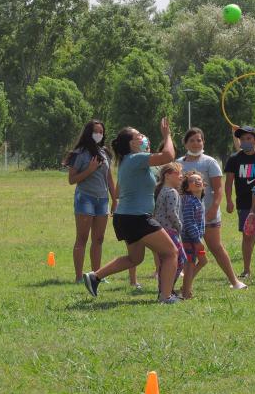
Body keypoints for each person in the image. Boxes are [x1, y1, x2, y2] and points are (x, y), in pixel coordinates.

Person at [81, 118, 181, 303]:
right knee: (171, 253)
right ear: (131, 143)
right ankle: (166, 296)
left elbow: (120, 191)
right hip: (137, 218)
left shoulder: (130, 161)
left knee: (135, 259)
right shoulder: (135, 159)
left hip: (125, 217)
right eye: (138, 135)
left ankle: (94, 277)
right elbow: (168, 156)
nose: (143, 137)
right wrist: (167, 135)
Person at [176, 128, 246, 289]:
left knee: (215, 247)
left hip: (208, 214)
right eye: (192, 140)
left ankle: (234, 281)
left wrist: (214, 208)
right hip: (186, 216)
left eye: (199, 140)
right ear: (185, 143)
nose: (195, 143)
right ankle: (185, 286)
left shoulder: (209, 162)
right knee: (190, 254)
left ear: (203, 142)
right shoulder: (179, 163)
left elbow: (218, 189)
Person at [64, 120, 131, 286]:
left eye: (101, 132)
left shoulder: (105, 153)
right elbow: (72, 180)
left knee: (99, 239)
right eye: (96, 131)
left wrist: (115, 199)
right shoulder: (79, 153)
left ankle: (97, 275)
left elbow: (109, 178)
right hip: (85, 198)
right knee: (82, 238)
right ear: (89, 133)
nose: (99, 134)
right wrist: (89, 170)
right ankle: (79, 276)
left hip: (102, 201)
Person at [224, 125, 255, 279]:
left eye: (248, 138)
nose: (245, 141)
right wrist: (229, 201)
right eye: (242, 139)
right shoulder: (234, 159)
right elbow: (228, 182)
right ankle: (246, 270)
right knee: (248, 236)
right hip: (244, 204)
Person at [153, 162, 187, 297]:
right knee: (179, 259)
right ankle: (167, 289)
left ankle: (164, 290)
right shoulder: (172, 192)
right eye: (178, 173)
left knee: (166, 261)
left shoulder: (162, 190)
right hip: (170, 230)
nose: (181, 176)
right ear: (167, 175)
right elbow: (171, 213)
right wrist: (180, 227)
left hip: (163, 230)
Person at [180, 171, 208, 299]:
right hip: (190, 239)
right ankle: (186, 294)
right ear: (187, 188)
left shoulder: (198, 200)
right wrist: (197, 240)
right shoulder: (189, 201)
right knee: (190, 265)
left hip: (195, 238)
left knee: (203, 261)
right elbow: (189, 222)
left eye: (199, 179)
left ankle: (186, 286)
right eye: (192, 181)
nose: (197, 181)